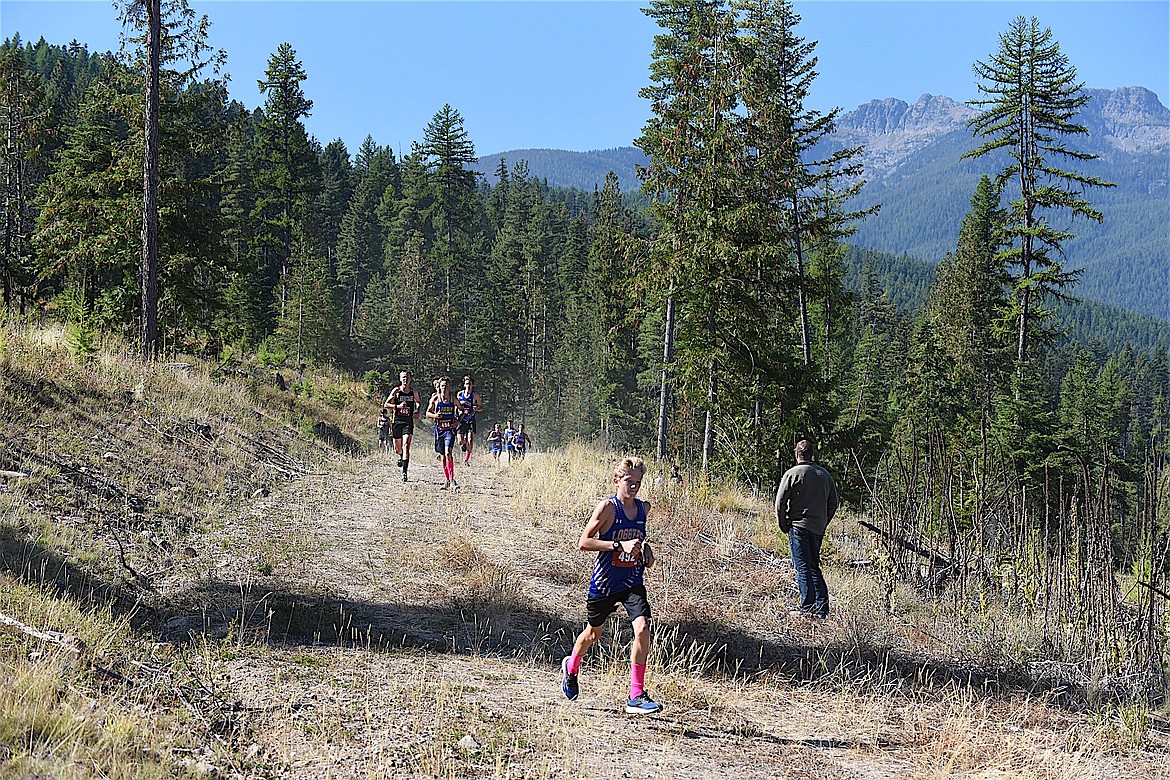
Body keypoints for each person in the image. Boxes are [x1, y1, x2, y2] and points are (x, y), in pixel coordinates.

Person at [560, 456, 661, 715]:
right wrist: (618, 545)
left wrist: (646, 550)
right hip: (605, 583)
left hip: (631, 581)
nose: (634, 487)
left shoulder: (643, 509)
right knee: (593, 634)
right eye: (629, 482)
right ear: (617, 481)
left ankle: (636, 695)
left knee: (643, 627)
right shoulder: (607, 508)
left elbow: (639, 538)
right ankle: (571, 666)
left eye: (638, 482)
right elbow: (584, 542)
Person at [774, 439, 839, 619]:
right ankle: (822, 608)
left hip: (798, 527)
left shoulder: (792, 474)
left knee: (803, 567)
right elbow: (833, 503)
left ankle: (807, 608)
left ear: (797, 454)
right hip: (817, 529)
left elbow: (780, 503)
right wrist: (823, 522)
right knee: (813, 567)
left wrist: (783, 524)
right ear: (812, 455)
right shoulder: (824, 475)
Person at [384, 371, 421, 482]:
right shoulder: (396, 391)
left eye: (407, 378)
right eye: (403, 377)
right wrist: (398, 406)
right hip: (397, 420)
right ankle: (400, 456)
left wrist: (417, 411)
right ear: (400, 379)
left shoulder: (413, 391)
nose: (405, 379)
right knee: (398, 449)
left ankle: (404, 473)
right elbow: (386, 404)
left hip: (408, 421)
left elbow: (418, 402)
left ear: (410, 379)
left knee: (406, 445)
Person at [426, 376, 460, 490]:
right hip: (439, 430)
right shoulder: (435, 399)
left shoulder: (453, 399)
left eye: (446, 386)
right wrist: (435, 416)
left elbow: (462, 409)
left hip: (449, 430)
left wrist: (458, 421)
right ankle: (447, 480)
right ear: (439, 387)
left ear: (450, 387)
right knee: (443, 457)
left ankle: (452, 480)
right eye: (442, 386)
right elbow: (427, 413)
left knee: (448, 452)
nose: (444, 388)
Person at [456, 376, 485, 465]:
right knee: (460, 441)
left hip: (471, 419)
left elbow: (482, 407)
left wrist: (477, 408)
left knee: (471, 439)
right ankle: (464, 443)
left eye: (470, 384)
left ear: (473, 385)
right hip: (461, 420)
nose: (468, 385)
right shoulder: (460, 394)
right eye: (467, 383)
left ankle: (466, 460)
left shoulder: (475, 396)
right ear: (464, 384)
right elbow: (455, 405)